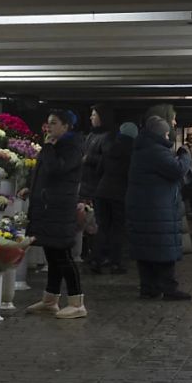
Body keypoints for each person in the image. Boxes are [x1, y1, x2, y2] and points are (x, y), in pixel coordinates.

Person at [23, 109, 87, 319]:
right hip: (48, 207)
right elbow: (42, 174)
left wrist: (49, 148)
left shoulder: (71, 147)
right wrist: (29, 189)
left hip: (59, 208)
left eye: (53, 123)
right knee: (53, 254)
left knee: (63, 256)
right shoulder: (55, 145)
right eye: (48, 122)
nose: (48, 127)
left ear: (66, 126)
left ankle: (77, 302)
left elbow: (57, 169)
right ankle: (50, 300)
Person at [126, 116, 192, 301]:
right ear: (160, 133)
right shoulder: (156, 151)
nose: (167, 135)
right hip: (157, 209)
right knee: (163, 248)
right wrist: (184, 155)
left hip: (143, 207)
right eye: (165, 132)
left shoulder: (141, 149)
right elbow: (177, 170)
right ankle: (168, 288)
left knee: (146, 249)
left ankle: (148, 288)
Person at [90, 122, 137, 274]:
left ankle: (96, 260)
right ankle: (115, 263)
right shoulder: (134, 152)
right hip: (120, 194)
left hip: (102, 191)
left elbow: (98, 171)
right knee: (118, 228)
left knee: (102, 226)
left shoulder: (109, 148)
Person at [80, 104, 115, 268]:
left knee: (97, 222)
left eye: (94, 115)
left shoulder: (107, 137)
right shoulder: (90, 136)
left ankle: (99, 255)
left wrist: (89, 159)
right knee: (86, 220)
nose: (91, 117)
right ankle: (90, 253)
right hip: (86, 185)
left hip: (97, 186)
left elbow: (108, 160)